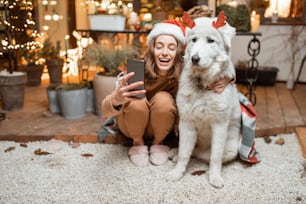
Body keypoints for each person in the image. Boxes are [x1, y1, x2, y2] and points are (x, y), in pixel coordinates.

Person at [101, 20, 230, 167]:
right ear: (152, 49)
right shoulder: (137, 67)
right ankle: (138, 143)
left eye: (171, 48)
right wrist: (116, 98)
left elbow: (217, 70)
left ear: (178, 53)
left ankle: (158, 143)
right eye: (159, 46)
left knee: (164, 99)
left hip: (161, 126)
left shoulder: (186, 72)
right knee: (137, 100)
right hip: (132, 125)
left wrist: (228, 79)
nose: (164, 53)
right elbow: (105, 109)